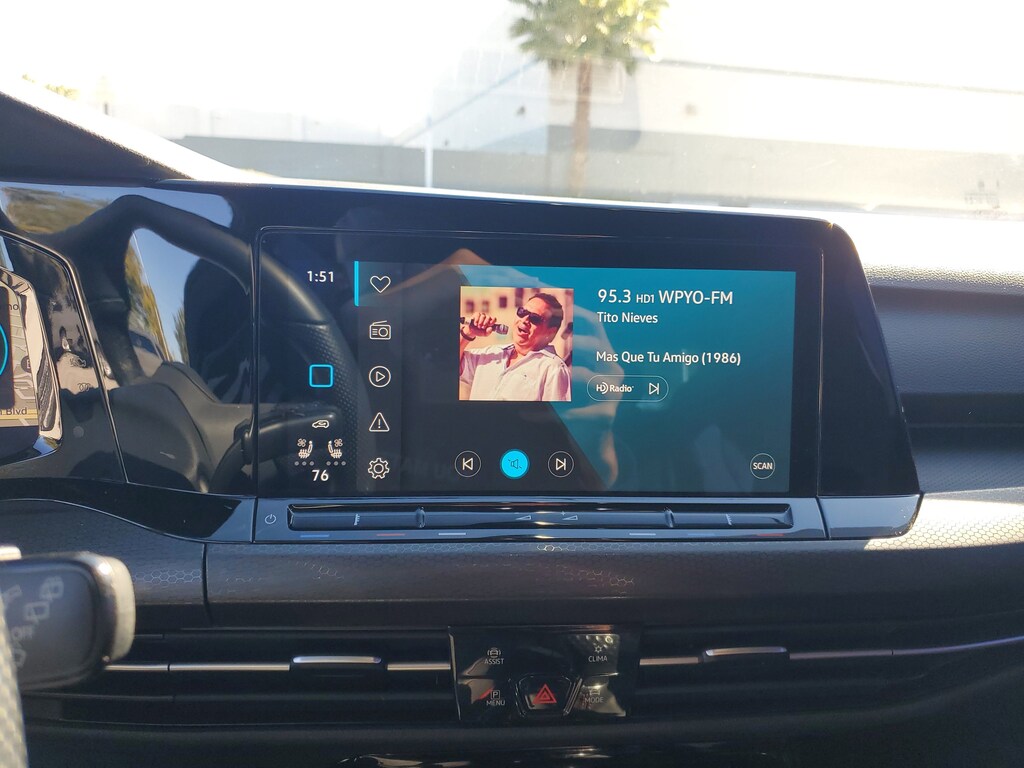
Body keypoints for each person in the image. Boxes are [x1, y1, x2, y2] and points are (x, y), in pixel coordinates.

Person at [459, 292, 571, 401]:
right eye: (522, 312)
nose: (525, 320)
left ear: (550, 333)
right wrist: (468, 333)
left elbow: (557, 412)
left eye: (535, 318)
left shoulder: (553, 369)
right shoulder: (490, 354)